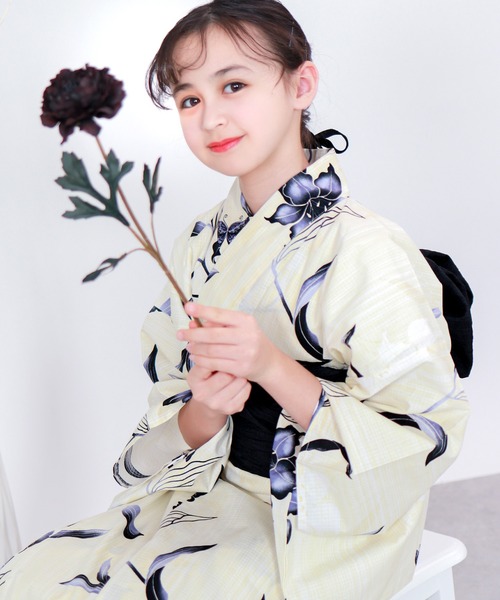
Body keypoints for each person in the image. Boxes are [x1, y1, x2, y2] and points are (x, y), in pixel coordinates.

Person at [0, 0, 470, 598]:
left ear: (301, 85)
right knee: (29, 577)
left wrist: (272, 367)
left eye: (234, 85)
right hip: (206, 489)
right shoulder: (198, 241)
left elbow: (423, 434)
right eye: (189, 99)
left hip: (321, 521)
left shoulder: (367, 247)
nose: (211, 118)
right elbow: (175, 395)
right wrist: (205, 409)